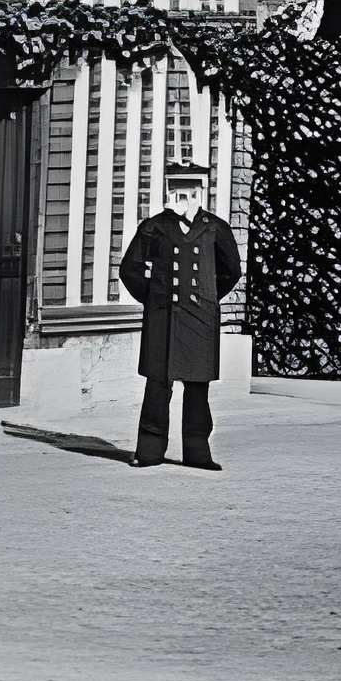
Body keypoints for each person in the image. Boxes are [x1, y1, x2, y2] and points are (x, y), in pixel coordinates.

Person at [117, 162, 243, 469]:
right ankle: (149, 452)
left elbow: (232, 271)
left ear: (201, 194)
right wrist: (153, 298)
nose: (184, 197)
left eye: (191, 192)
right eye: (178, 191)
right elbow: (129, 269)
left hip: (200, 318)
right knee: (157, 386)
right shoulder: (154, 227)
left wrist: (208, 297)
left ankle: (198, 453)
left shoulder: (215, 228)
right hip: (163, 318)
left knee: (198, 388)